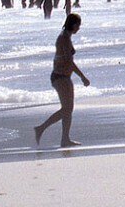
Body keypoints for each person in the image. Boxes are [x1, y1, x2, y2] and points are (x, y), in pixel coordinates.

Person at [34, 13, 90, 147]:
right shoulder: (63, 38)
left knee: (68, 109)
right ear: (74, 24)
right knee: (66, 109)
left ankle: (65, 139)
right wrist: (82, 77)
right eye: (78, 25)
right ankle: (41, 128)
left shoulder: (67, 37)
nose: (79, 28)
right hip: (59, 77)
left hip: (65, 77)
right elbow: (69, 61)